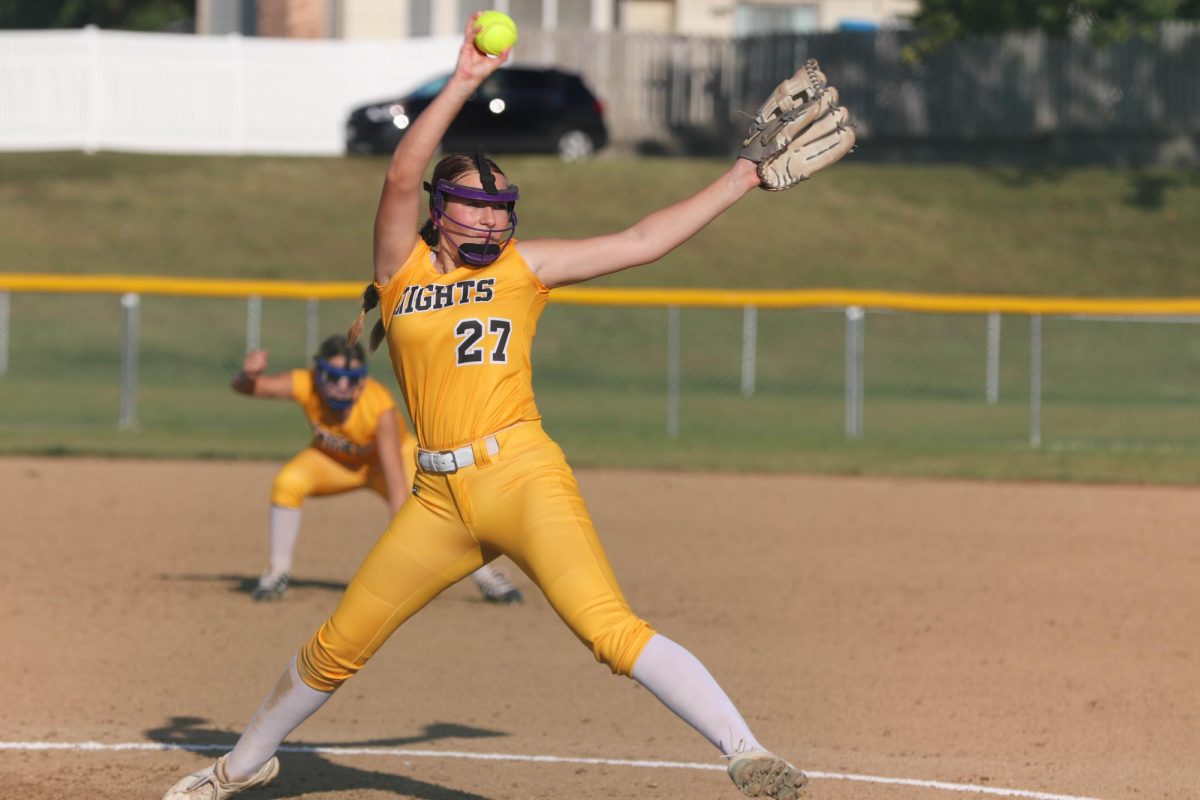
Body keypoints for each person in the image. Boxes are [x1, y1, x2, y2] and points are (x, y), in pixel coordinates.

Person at [163, 14, 852, 800]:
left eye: (499, 207)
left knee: (610, 631)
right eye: (471, 206)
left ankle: (745, 752)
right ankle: (238, 766)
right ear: (439, 210)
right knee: (338, 644)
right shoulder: (402, 268)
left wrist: (743, 178)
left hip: (521, 475)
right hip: (436, 501)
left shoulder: (527, 268)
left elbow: (642, 239)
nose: (490, 219)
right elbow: (398, 175)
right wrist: (465, 78)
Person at [232, 335, 522, 604]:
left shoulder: (378, 407)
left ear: (362, 381)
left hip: (391, 462)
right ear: (318, 373)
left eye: (351, 380)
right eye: (333, 377)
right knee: (287, 482)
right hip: (334, 462)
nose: (342, 386)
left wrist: (403, 543)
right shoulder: (305, 383)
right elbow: (247, 388)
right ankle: (277, 572)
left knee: (440, 512)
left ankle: (485, 575)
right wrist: (248, 374)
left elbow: (395, 481)